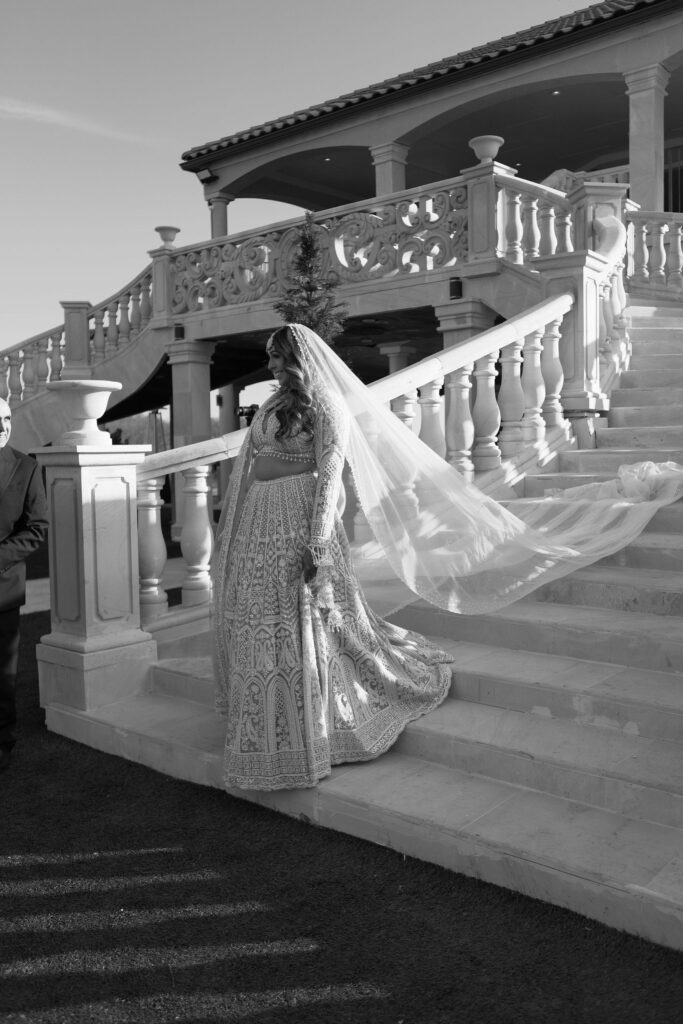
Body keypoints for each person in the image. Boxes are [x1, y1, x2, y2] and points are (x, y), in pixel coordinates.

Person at [214, 324, 683, 791]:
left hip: (300, 523)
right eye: (270, 359)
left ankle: (314, 729)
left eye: (279, 359)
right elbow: (255, 462)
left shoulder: (327, 404)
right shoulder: (274, 406)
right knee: (266, 620)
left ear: (300, 360)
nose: (273, 368)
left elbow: (331, 469)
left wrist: (317, 540)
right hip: (261, 528)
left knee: (306, 622)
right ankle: (267, 730)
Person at [0, 397, 48, 771]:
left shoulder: (27, 466)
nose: (3, 427)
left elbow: (37, 527)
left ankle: (3, 740)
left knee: (2, 670)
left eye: (6, 419)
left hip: (3, 589)